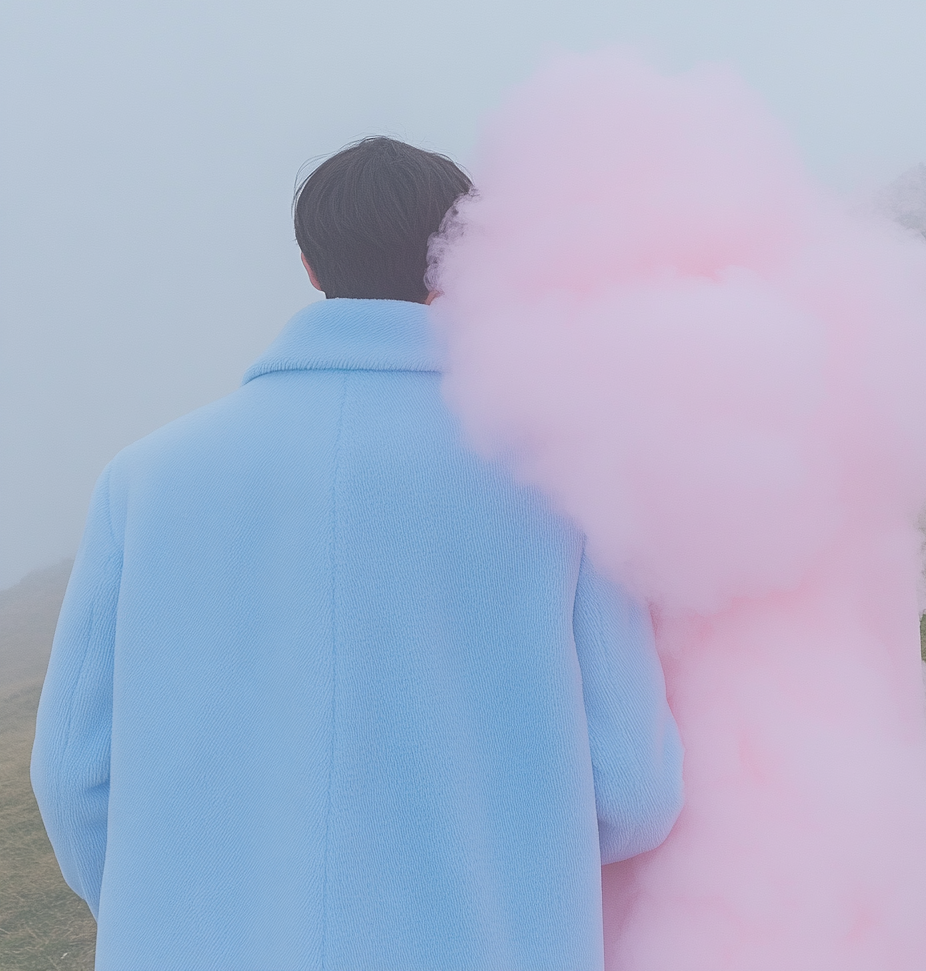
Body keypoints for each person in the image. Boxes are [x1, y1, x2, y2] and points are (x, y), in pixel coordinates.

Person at [31, 136, 683, 971]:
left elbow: (71, 777)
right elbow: (632, 792)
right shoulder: (561, 482)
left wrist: (164, 908)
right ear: (465, 261)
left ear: (308, 266)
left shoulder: (145, 479)